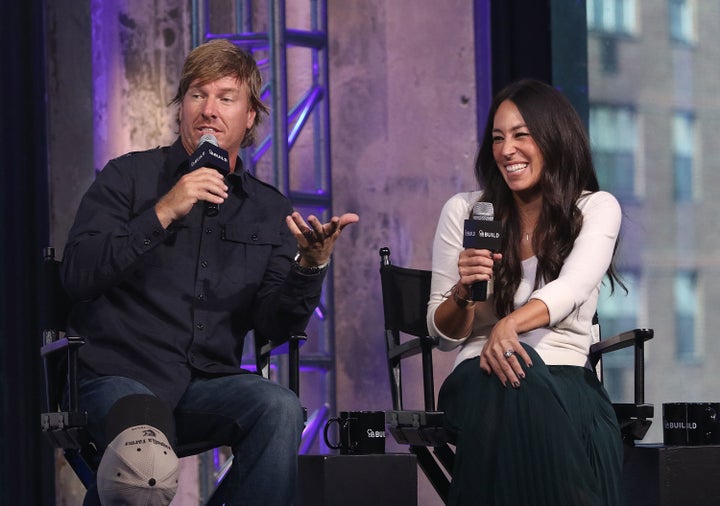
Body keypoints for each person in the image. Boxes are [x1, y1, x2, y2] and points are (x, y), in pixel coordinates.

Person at [61, 38, 359, 506]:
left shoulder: (268, 210)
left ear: (250, 116)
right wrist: (164, 211)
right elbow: (77, 273)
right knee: (144, 452)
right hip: (118, 375)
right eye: (197, 95)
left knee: (279, 408)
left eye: (226, 97)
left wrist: (310, 265)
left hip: (205, 382)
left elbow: (274, 325)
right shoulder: (129, 177)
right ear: (182, 109)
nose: (209, 110)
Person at [427, 79, 625, 505]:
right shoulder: (464, 210)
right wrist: (464, 292)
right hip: (477, 375)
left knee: (527, 383)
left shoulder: (595, 208)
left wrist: (509, 325)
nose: (506, 150)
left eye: (521, 135)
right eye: (498, 138)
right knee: (524, 381)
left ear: (554, 138)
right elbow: (444, 335)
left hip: (567, 376)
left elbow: (572, 287)